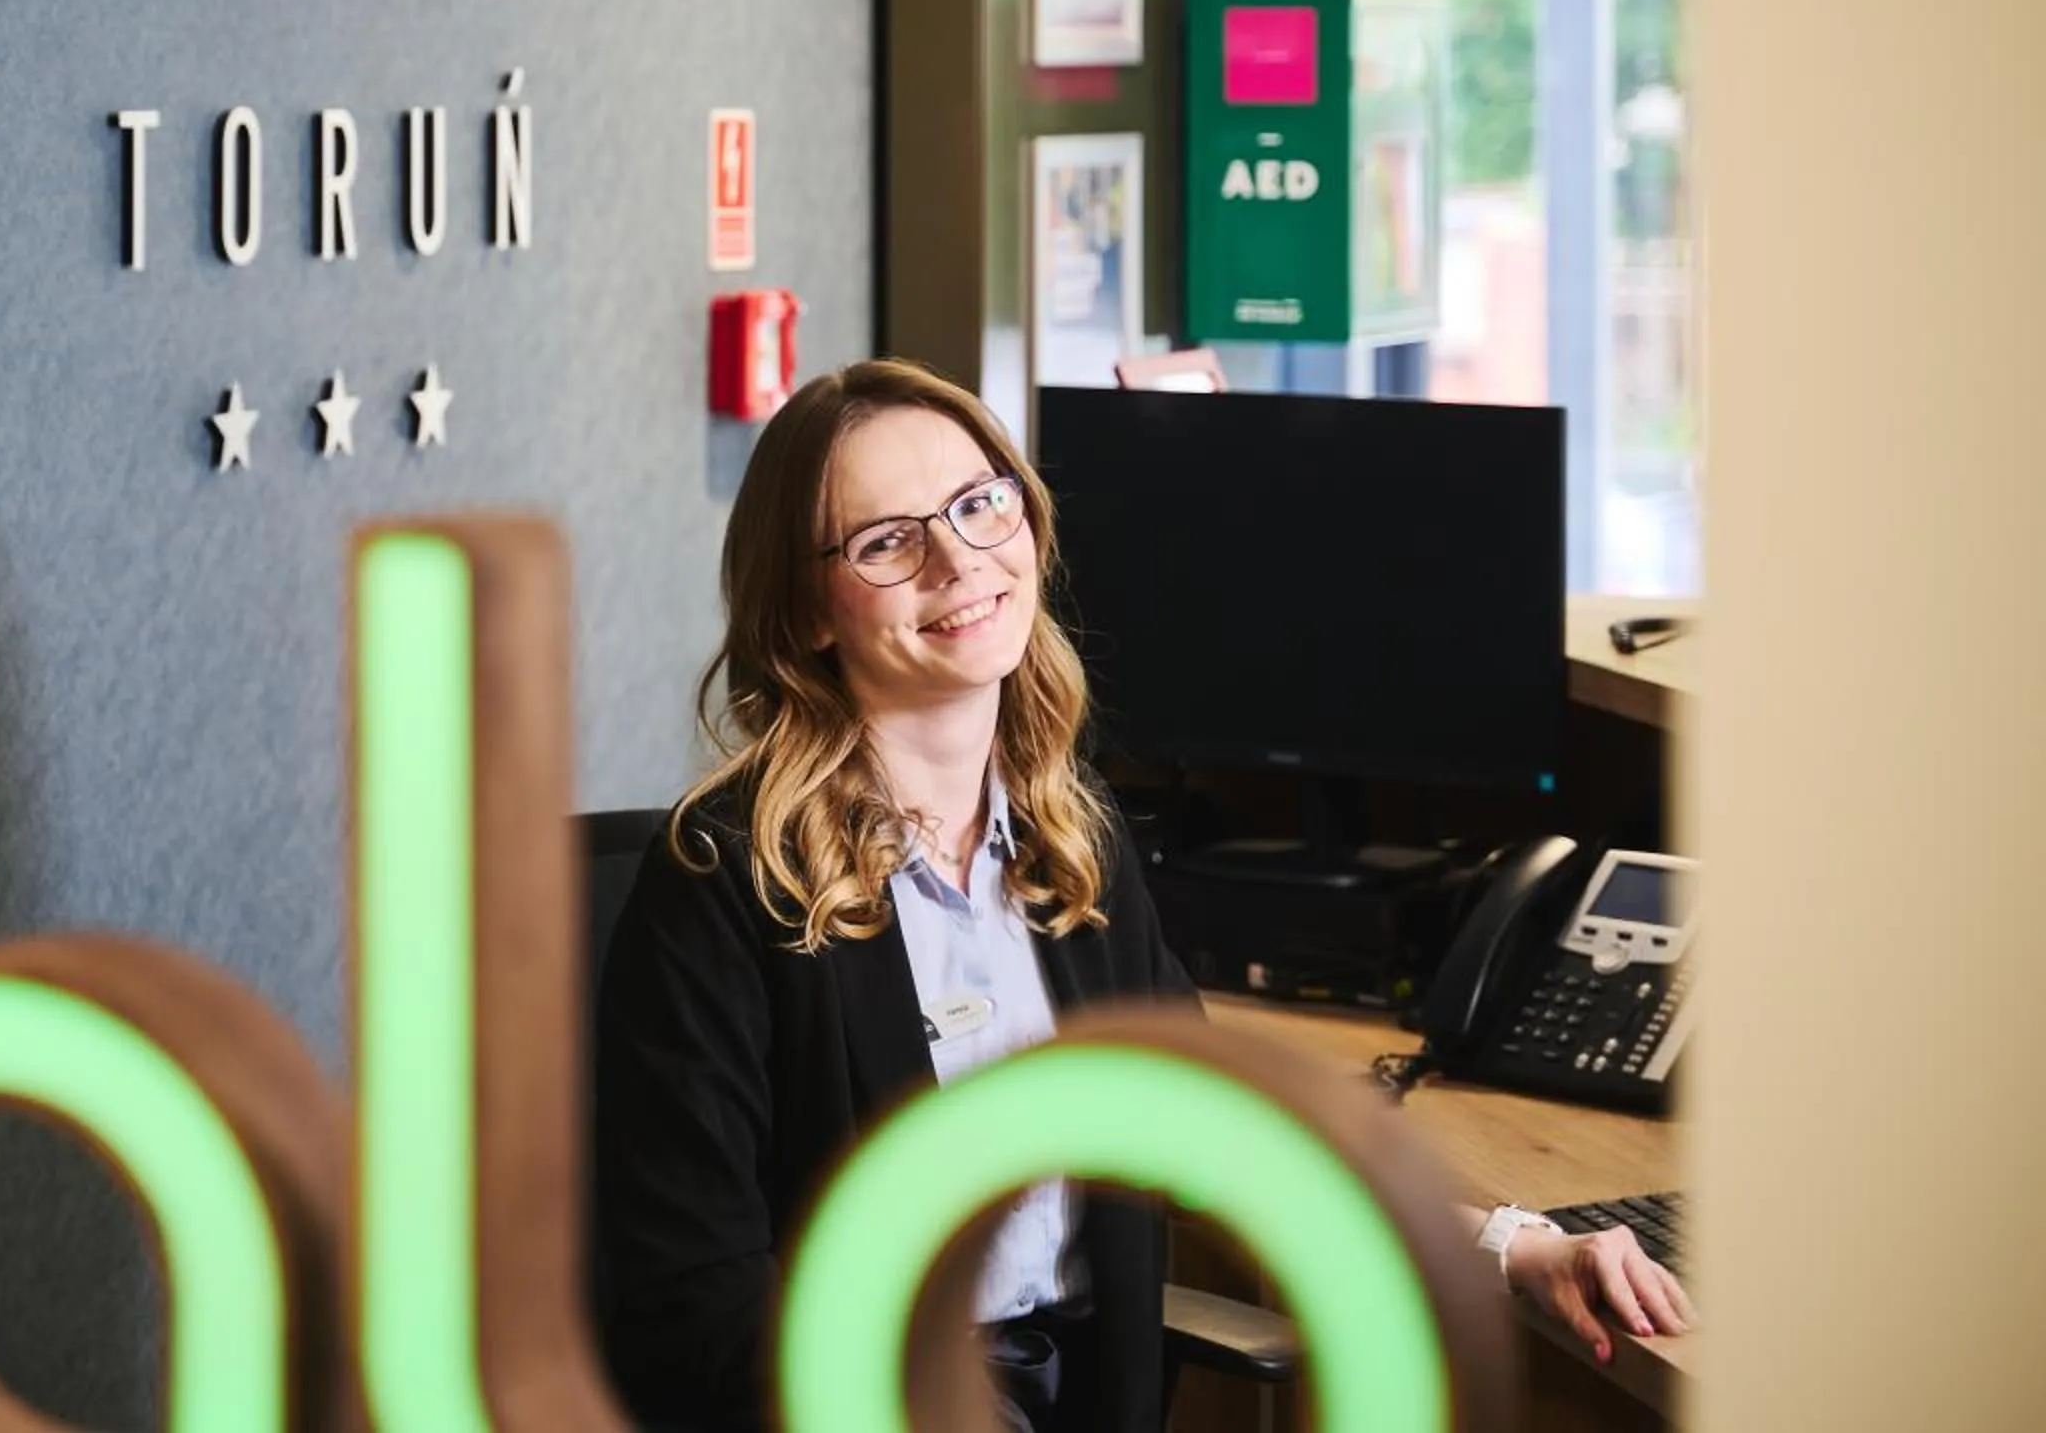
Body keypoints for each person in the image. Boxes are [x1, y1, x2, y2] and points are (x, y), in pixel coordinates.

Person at [591, 358, 1691, 1432]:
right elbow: (690, 1301)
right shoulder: (727, 880)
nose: (959, 559)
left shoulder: (1075, 844)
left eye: (980, 503)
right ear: (808, 610)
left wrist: (1520, 1245)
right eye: (888, 541)